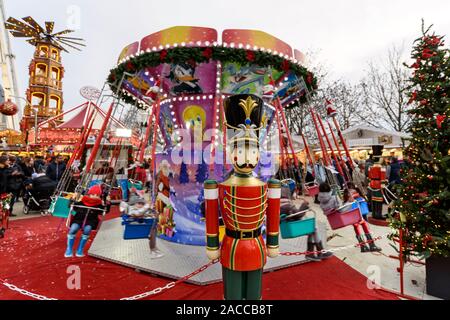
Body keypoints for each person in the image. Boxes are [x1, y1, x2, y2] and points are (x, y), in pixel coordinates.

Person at [318, 182, 381, 252]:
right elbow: (339, 207)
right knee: (363, 222)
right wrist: (349, 201)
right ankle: (371, 244)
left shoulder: (321, 202)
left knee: (356, 224)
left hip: (334, 218)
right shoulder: (333, 198)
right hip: (341, 214)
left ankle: (363, 246)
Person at [280, 181, 333, 262]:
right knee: (313, 227)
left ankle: (312, 253)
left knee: (312, 229)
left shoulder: (281, 204)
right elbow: (298, 215)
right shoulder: (287, 205)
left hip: (291, 224)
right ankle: (319, 251)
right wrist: (304, 205)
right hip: (293, 227)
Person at [64, 185, 108, 258]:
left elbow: (104, 211)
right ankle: (69, 249)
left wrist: (107, 203)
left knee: (87, 229)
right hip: (78, 219)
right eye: (93, 194)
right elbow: (72, 206)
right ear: (89, 194)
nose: (95, 196)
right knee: (73, 228)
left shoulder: (99, 205)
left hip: (90, 221)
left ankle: (80, 249)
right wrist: (72, 200)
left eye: (97, 195)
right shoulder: (82, 201)